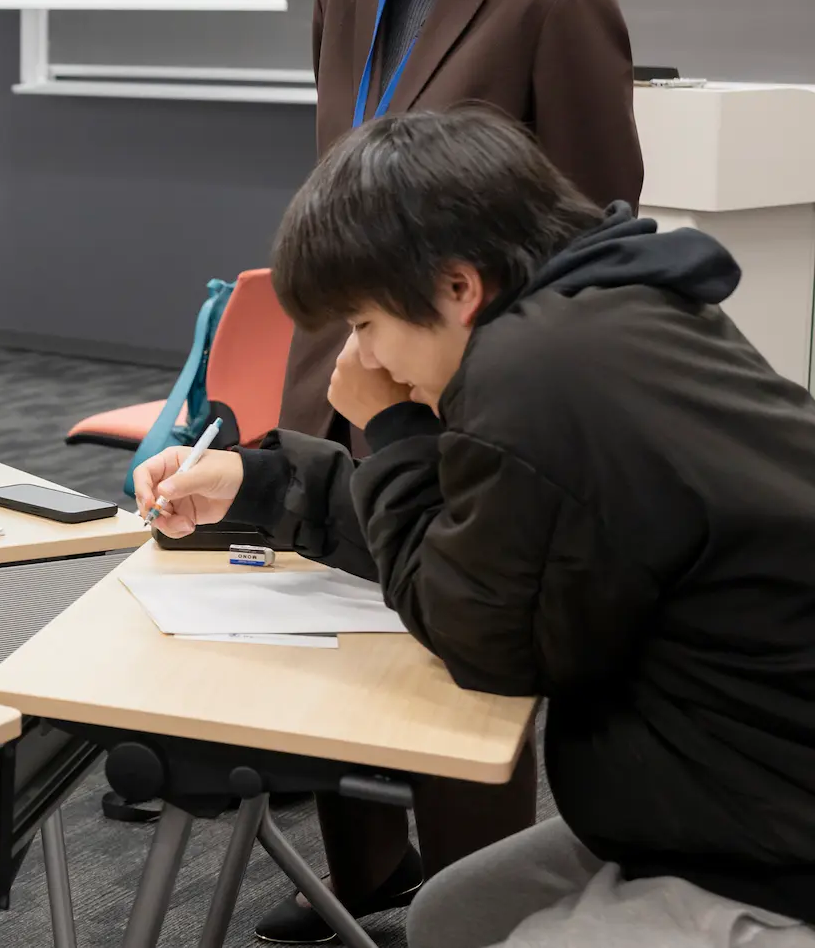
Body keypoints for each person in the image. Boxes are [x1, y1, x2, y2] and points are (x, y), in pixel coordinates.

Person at [137, 108, 815, 948]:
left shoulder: (540, 373)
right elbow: (487, 536)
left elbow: (479, 639)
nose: (366, 360)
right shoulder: (603, 310)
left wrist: (387, 429)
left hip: (768, 855)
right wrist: (263, 479)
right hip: (711, 799)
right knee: (450, 913)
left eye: (366, 324)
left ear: (459, 287)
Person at [265, 0, 645, 941]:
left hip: (478, 392)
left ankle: (467, 910)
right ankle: (356, 886)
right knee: (339, 629)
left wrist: (483, 374)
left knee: (457, 655)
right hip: (341, 368)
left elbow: (596, 235)